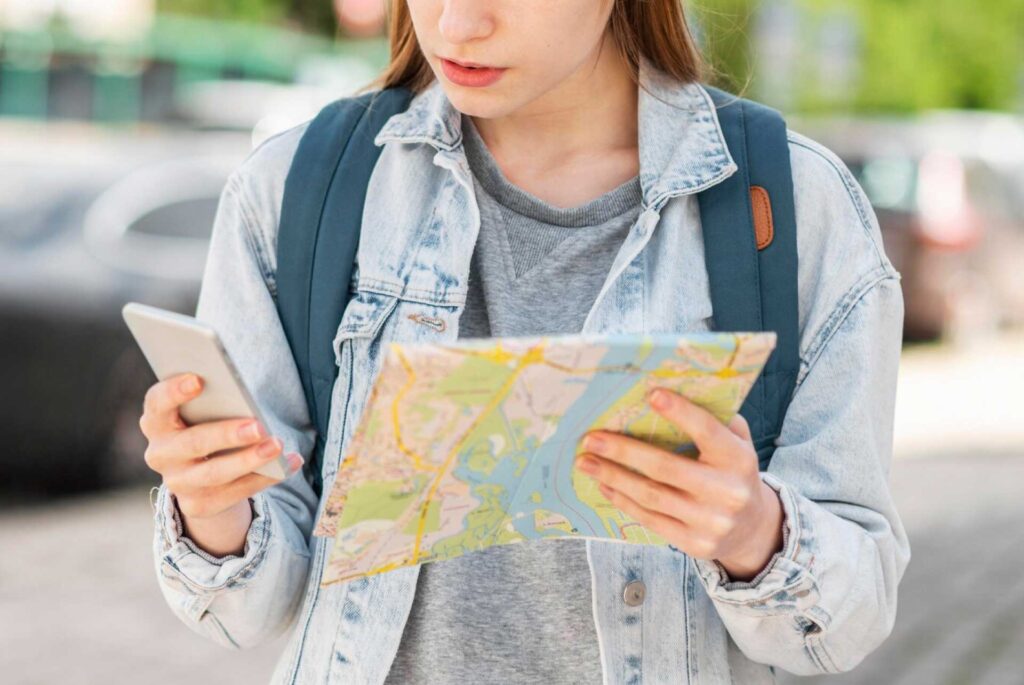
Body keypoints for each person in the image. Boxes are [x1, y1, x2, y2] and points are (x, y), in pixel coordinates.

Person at [138, 1, 910, 682]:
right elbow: (249, 608)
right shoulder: (294, 189)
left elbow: (849, 621)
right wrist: (211, 510)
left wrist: (754, 532)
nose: (456, 23)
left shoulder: (796, 209)